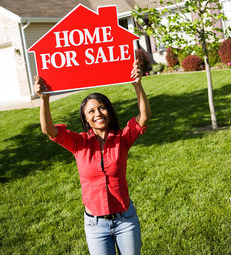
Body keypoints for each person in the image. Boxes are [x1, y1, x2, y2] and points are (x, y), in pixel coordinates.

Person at [33, 60, 151, 255]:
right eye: (91, 111)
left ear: (110, 113)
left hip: (125, 220)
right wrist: (44, 99)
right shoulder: (78, 143)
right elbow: (49, 130)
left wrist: (137, 84)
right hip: (96, 225)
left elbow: (144, 116)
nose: (98, 113)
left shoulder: (122, 139)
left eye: (102, 108)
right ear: (86, 119)